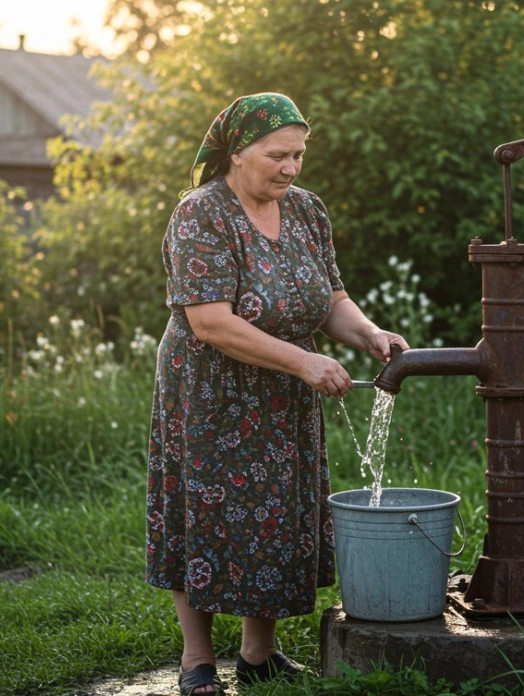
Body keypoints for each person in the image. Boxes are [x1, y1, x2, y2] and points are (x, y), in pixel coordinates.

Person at [144, 92, 408, 696]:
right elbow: (210, 322)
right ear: (238, 152)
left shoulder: (307, 210)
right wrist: (305, 361)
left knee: (276, 514)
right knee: (204, 513)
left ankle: (258, 654)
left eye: (298, 155)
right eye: (277, 155)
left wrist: (368, 333)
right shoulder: (201, 213)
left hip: (285, 390)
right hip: (209, 391)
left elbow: (331, 298)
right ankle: (196, 659)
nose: (290, 168)